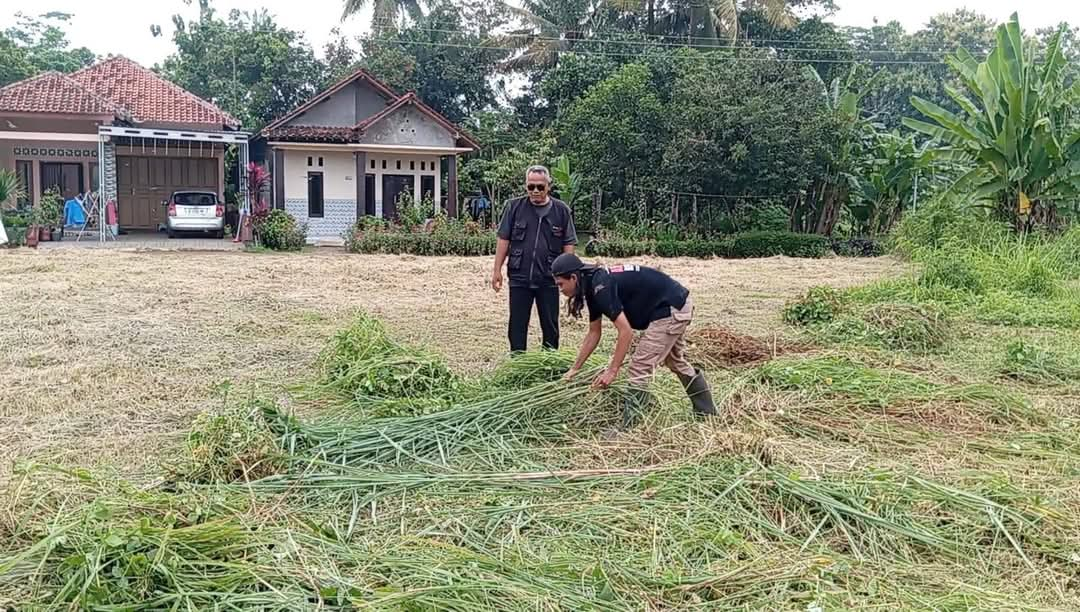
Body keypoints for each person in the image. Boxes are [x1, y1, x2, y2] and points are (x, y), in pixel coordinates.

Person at [551, 253, 716, 430]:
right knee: (674, 361)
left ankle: (631, 428)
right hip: (674, 304)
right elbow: (594, 333)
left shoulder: (601, 287)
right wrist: (574, 369)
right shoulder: (592, 284)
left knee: (639, 367)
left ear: (574, 277)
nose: (560, 289)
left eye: (561, 284)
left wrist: (612, 371)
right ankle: (707, 413)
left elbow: (626, 332)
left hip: (670, 308)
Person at [491, 165, 577, 353]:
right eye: (531, 187)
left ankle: (549, 365)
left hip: (549, 279)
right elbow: (504, 238)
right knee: (517, 326)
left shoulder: (561, 210)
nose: (535, 191)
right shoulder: (514, 207)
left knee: (550, 326)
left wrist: (567, 275)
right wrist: (497, 270)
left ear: (549, 186)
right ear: (526, 186)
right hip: (519, 276)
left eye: (540, 187)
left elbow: (569, 243)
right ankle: (517, 363)